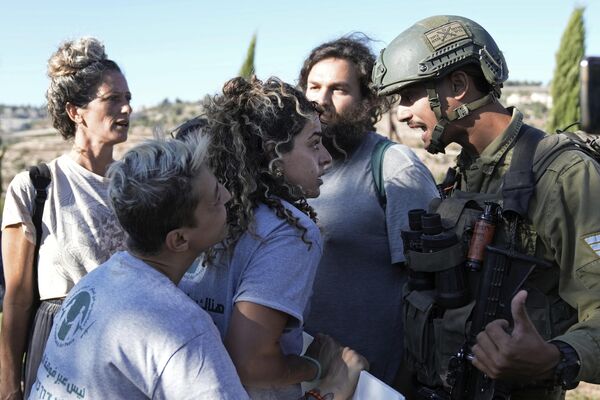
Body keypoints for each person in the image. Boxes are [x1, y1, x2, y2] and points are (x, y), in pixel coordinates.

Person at [29, 135, 368, 400]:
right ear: (178, 240)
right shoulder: (179, 329)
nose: (230, 198)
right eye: (215, 200)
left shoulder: (95, 285)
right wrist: (330, 388)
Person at [372, 15, 600, 399]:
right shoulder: (460, 177)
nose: (403, 113)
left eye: (410, 95)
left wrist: (557, 356)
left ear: (458, 86)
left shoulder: (563, 175)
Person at [178, 76, 335, 400]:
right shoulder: (289, 233)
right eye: (314, 143)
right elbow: (250, 363)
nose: (326, 158)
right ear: (273, 152)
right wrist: (315, 367)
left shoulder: (212, 213)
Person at [297, 34, 439, 385]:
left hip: (369, 380)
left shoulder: (393, 168)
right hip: (299, 372)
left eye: (339, 90)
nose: (320, 101)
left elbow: (429, 288)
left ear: (367, 100)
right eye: (313, 87)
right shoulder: (290, 168)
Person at [0, 37, 130, 399]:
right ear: (76, 111)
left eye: (128, 99)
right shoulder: (36, 187)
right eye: (113, 99)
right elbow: (17, 298)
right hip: (60, 346)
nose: (126, 109)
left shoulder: (138, 187)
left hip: (127, 346)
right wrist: (9, 384)